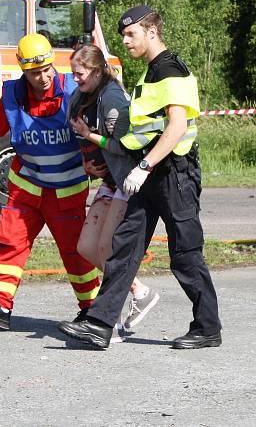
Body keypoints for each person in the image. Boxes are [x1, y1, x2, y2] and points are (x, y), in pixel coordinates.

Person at [58, 5, 222, 349]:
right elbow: (145, 130)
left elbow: (177, 126)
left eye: (131, 34)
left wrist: (144, 166)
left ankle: (207, 327)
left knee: (185, 255)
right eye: (123, 35)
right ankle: (100, 325)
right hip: (148, 174)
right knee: (123, 249)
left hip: (174, 174)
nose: (125, 41)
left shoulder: (170, 70)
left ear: (152, 32)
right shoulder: (149, 73)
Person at [0, 33, 100, 330]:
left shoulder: (73, 92)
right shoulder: (13, 96)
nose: (43, 77)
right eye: (35, 73)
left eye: (47, 69)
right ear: (24, 71)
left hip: (67, 190)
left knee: (76, 252)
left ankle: (92, 310)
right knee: (9, 243)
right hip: (26, 187)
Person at [68, 44, 160, 336]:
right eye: (73, 74)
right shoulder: (81, 95)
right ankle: (139, 291)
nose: (76, 79)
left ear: (96, 71)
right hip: (107, 180)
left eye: (80, 74)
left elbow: (123, 146)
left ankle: (119, 310)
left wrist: (90, 136)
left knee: (109, 249)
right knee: (85, 247)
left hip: (125, 180)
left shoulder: (112, 100)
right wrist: (86, 163)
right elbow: (80, 138)